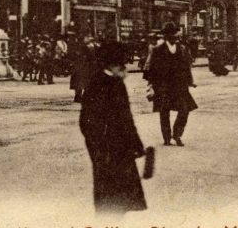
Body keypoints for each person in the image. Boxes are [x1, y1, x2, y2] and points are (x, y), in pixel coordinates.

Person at [79, 41, 148, 214]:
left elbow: (126, 119)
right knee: (108, 199)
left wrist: (136, 145)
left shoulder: (116, 82)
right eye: (122, 65)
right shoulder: (97, 83)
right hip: (106, 149)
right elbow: (86, 121)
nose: (125, 70)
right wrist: (98, 147)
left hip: (121, 148)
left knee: (121, 197)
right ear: (114, 65)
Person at [148, 21, 198, 146]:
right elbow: (151, 69)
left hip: (179, 86)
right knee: (164, 112)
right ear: (166, 36)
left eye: (175, 34)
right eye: (172, 34)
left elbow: (187, 66)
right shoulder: (157, 50)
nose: (175, 37)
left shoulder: (182, 49)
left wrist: (190, 81)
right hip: (163, 86)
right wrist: (151, 86)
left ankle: (177, 135)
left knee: (184, 110)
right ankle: (166, 137)